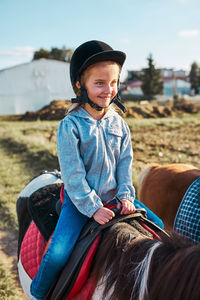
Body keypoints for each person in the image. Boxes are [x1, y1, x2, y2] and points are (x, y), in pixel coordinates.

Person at [30, 40, 136, 300]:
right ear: (80, 84)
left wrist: (126, 196)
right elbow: (73, 176)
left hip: (115, 198)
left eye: (113, 82)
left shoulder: (120, 125)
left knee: (158, 230)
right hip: (80, 203)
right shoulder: (70, 126)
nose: (108, 90)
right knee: (58, 254)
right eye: (100, 83)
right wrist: (93, 208)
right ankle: (37, 293)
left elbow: (125, 165)